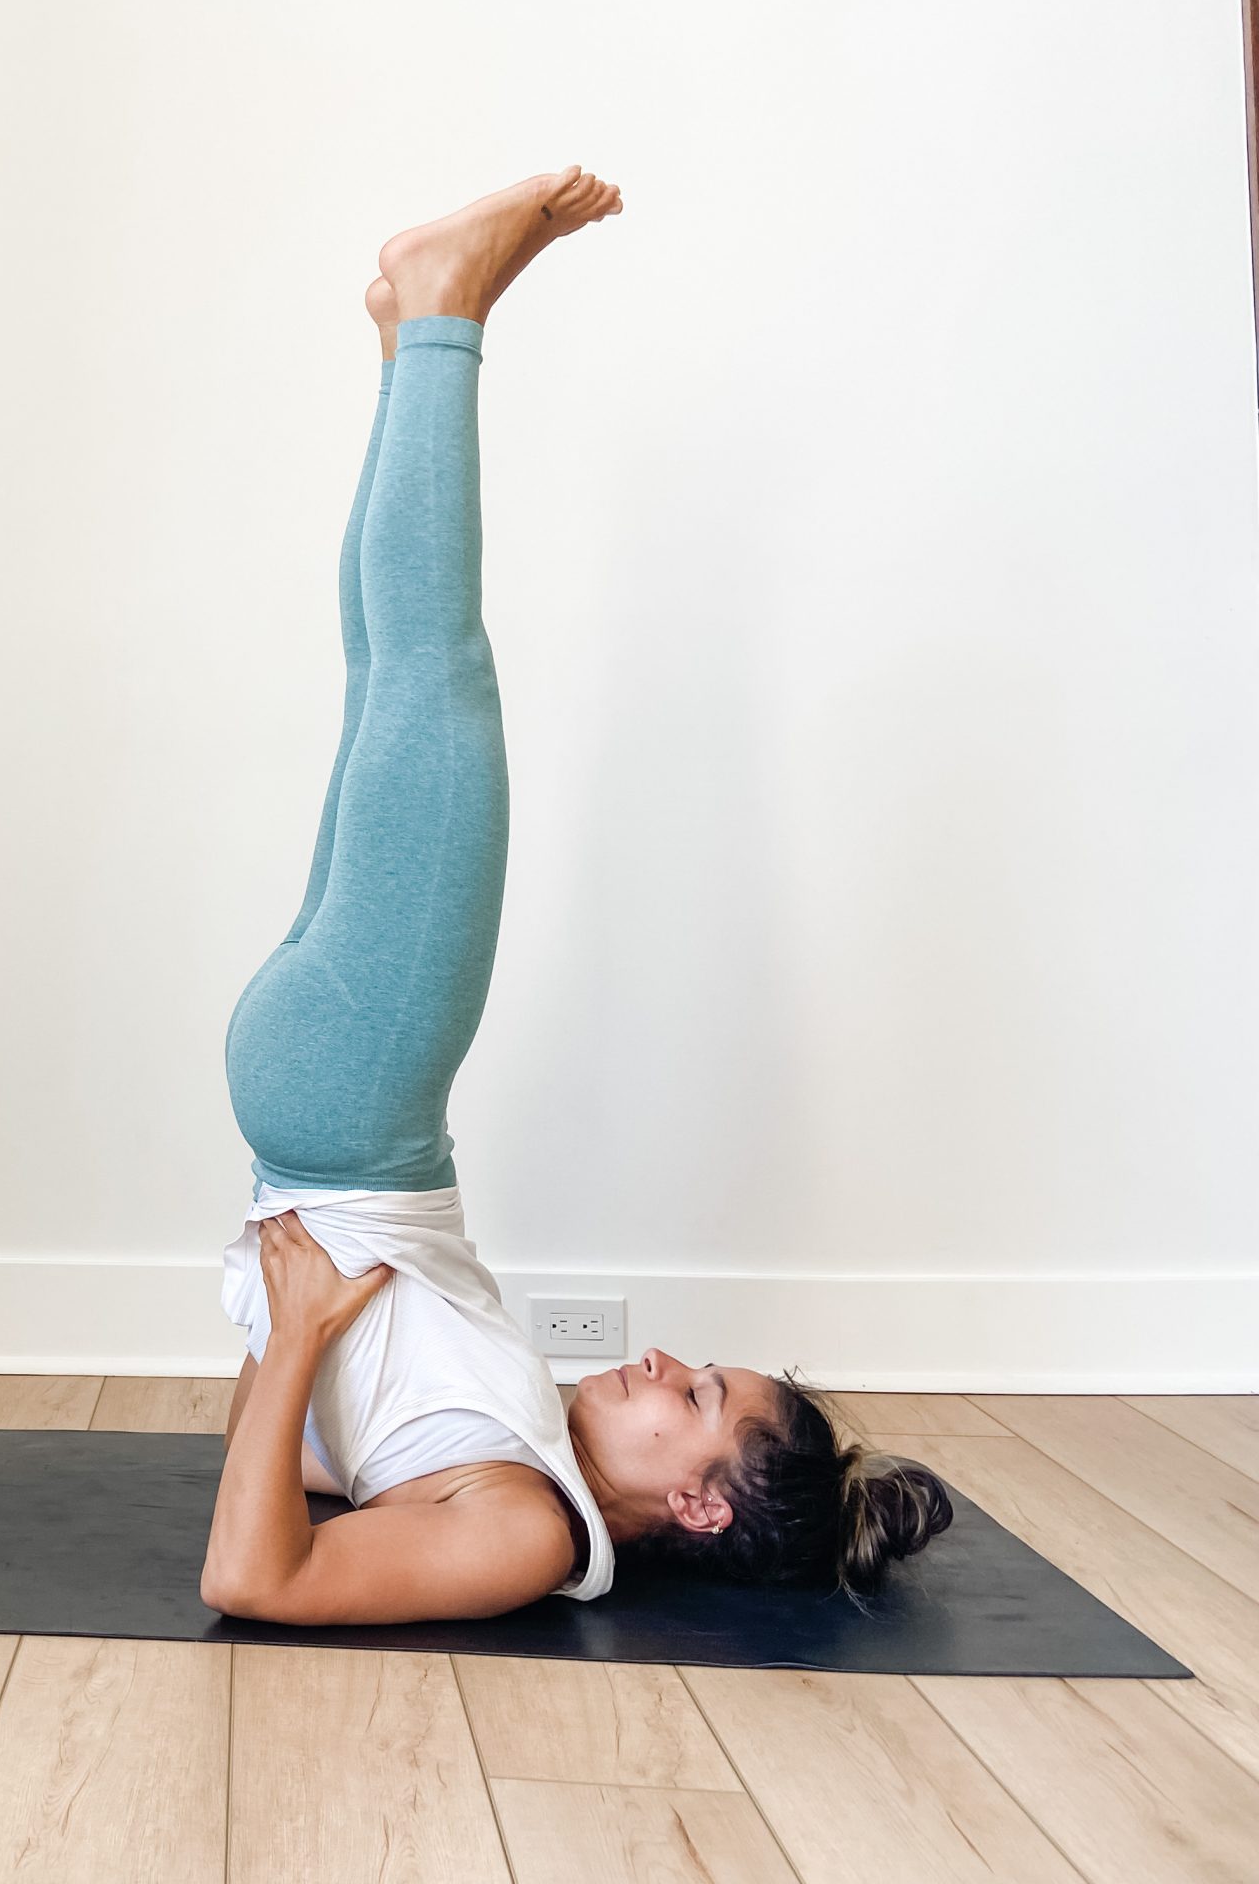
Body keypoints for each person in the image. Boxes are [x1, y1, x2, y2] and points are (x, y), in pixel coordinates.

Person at [202, 167, 952, 1626]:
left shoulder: (531, 1537)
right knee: (392, 686)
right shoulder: (516, 1453)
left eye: (695, 1396)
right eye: (697, 1366)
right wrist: (296, 1358)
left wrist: (292, 1338)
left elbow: (249, 1577)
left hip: (352, 1116)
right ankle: (405, 340)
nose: (663, 1363)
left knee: (436, 684)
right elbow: (314, 1484)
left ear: (700, 1502)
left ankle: (441, 314)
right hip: (330, 1112)